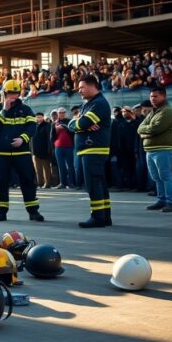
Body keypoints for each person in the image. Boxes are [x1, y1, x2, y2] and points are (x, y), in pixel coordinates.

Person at [0, 80, 45, 223]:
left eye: (16, 93)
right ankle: (0, 211)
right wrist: (4, 110)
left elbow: (32, 127)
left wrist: (22, 139)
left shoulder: (26, 109)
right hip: (2, 154)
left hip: (22, 153)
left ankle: (33, 211)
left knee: (28, 181)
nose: (13, 96)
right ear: (5, 94)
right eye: (10, 94)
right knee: (1, 183)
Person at [68, 75, 111, 228]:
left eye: (82, 87)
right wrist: (78, 123)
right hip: (90, 148)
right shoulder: (90, 103)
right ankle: (105, 216)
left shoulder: (98, 103)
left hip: (93, 147)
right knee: (99, 182)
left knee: (93, 183)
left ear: (93, 86)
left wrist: (80, 123)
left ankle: (97, 216)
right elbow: (73, 124)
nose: (79, 91)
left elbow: (83, 122)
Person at [139, 87, 172, 212]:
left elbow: (155, 129)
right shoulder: (153, 112)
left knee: (165, 176)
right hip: (150, 149)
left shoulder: (167, 111)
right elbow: (140, 128)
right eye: (151, 96)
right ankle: (162, 200)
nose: (152, 99)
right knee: (156, 177)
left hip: (163, 149)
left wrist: (145, 132)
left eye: (155, 96)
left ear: (163, 96)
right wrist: (146, 132)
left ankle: (171, 202)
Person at [51, 107, 75, 189]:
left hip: (69, 146)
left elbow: (73, 132)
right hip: (58, 147)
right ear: (57, 114)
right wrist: (53, 147)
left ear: (65, 113)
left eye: (63, 112)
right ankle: (62, 183)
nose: (61, 114)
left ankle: (71, 183)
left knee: (70, 165)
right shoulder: (54, 123)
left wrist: (64, 127)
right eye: (60, 113)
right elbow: (52, 137)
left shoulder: (69, 121)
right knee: (61, 166)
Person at [32, 112, 52, 189]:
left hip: (44, 150)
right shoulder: (34, 125)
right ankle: (40, 183)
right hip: (35, 151)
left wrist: (49, 149)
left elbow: (49, 138)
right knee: (37, 169)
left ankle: (47, 184)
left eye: (40, 117)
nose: (38, 118)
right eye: (37, 117)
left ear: (43, 117)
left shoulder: (47, 125)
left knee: (46, 168)